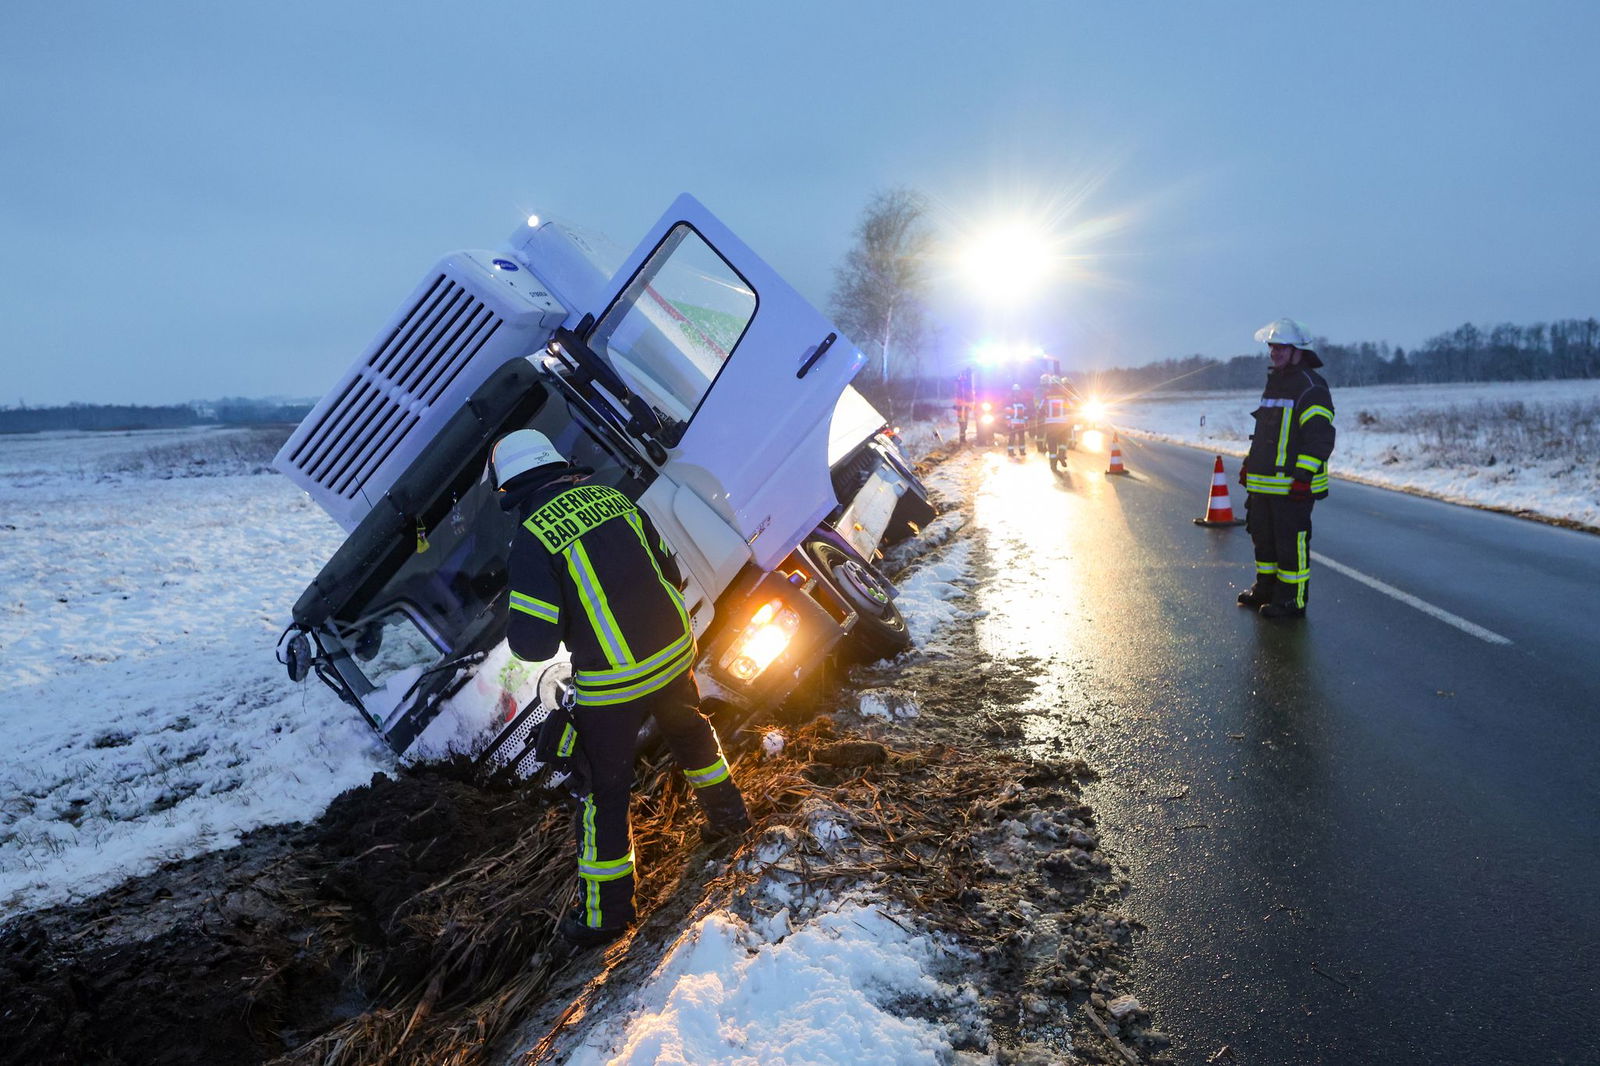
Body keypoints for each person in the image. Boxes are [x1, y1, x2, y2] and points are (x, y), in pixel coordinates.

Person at [491, 428, 750, 947]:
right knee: (689, 731)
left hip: (614, 682)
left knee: (602, 790)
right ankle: (730, 817)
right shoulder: (615, 499)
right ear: (557, 464)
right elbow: (669, 573)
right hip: (674, 651)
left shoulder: (532, 538)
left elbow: (535, 645)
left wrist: (527, 613)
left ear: (513, 488)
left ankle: (605, 917)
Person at [1237, 318, 1337, 619]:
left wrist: (1303, 478)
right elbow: (1267, 433)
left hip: (1292, 487)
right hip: (1265, 484)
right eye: (1272, 347)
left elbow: (1319, 439)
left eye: (1280, 347)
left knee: (1289, 544)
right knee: (1264, 541)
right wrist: (1248, 465)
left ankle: (1292, 600)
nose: (1274, 353)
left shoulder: (1311, 386)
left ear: (1298, 351)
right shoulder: (1277, 382)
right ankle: (1266, 589)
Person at [1005, 384, 1032, 458]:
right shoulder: (1011, 400)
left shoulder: (1021, 400)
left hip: (1019, 423)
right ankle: (1011, 452)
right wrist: (1008, 421)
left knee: (1021, 437)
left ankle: (1022, 451)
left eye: (1017, 391)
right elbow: (1008, 412)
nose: (1016, 393)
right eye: (1015, 391)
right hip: (1014, 422)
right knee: (1013, 437)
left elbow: (1025, 412)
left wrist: (1026, 421)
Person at [954, 367, 976, 446]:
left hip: (964, 408)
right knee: (962, 424)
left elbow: (970, 396)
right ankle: (962, 440)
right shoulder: (959, 386)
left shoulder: (966, 386)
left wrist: (970, 405)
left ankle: (963, 438)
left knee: (965, 424)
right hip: (960, 409)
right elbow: (957, 397)